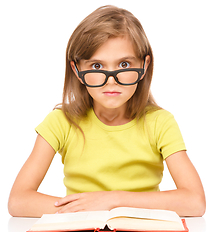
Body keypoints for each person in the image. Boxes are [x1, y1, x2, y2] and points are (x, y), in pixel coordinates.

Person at [8, 5, 206, 218]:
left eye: (124, 63)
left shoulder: (160, 123)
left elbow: (194, 202)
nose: (111, 81)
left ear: (145, 65)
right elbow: (18, 201)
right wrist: (89, 209)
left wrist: (113, 200)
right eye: (96, 67)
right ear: (77, 69)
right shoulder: (61, 122)